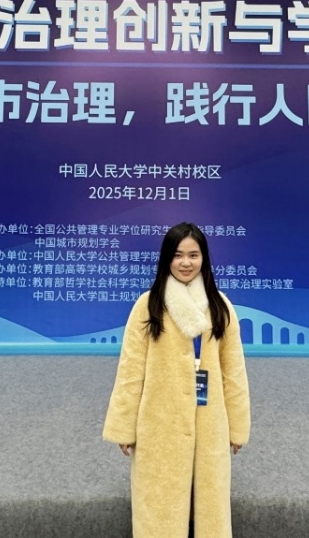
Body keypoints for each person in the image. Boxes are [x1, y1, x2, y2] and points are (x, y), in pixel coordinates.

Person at [103, 222, 251, 538]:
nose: (186, 262)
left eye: (193, 255)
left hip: (209, 419)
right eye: (178, 255)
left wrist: (237, 427)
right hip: (159, 422)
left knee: (210, 506)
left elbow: (234, 372)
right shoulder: (148, 305)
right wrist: (123, 426)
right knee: (159, 503)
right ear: (166, 259)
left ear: (204, 258)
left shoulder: (220, 306)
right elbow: (130, 370)